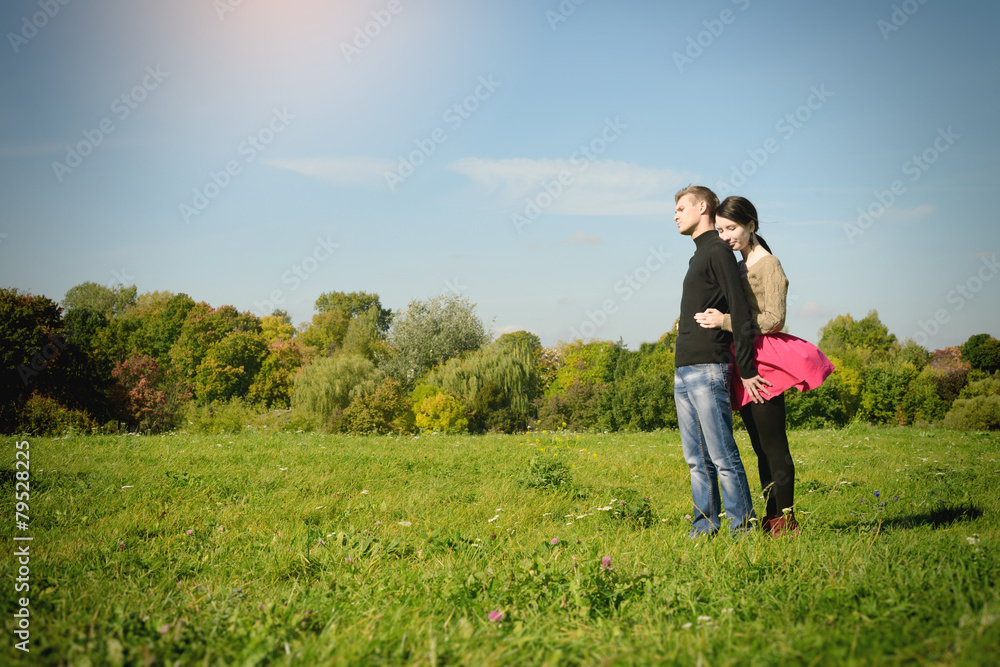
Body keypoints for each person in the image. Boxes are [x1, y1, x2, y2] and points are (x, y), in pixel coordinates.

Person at [694, 196, 834, 536]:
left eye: (733, 228)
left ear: (751, 225)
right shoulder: (741, 263)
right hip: (746, 356)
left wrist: (724, 320)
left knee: (774, 446)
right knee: (759, 448)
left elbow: (774, 319)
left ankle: (786, 521)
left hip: (765, 360)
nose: (726, 236)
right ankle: (772, 520)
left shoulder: (767, 263)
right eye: (722, 229)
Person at [673, 185, 769, 538]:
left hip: (709, 367)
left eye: (681, 208)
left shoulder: (718, 251)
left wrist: (746, 369)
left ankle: (743, 528)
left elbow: (741, 310)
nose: (675, 215)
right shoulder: (699, 255)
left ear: (702, 207)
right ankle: (704, 527)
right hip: (685, 368)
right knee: (696, 460)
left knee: (722, 457)